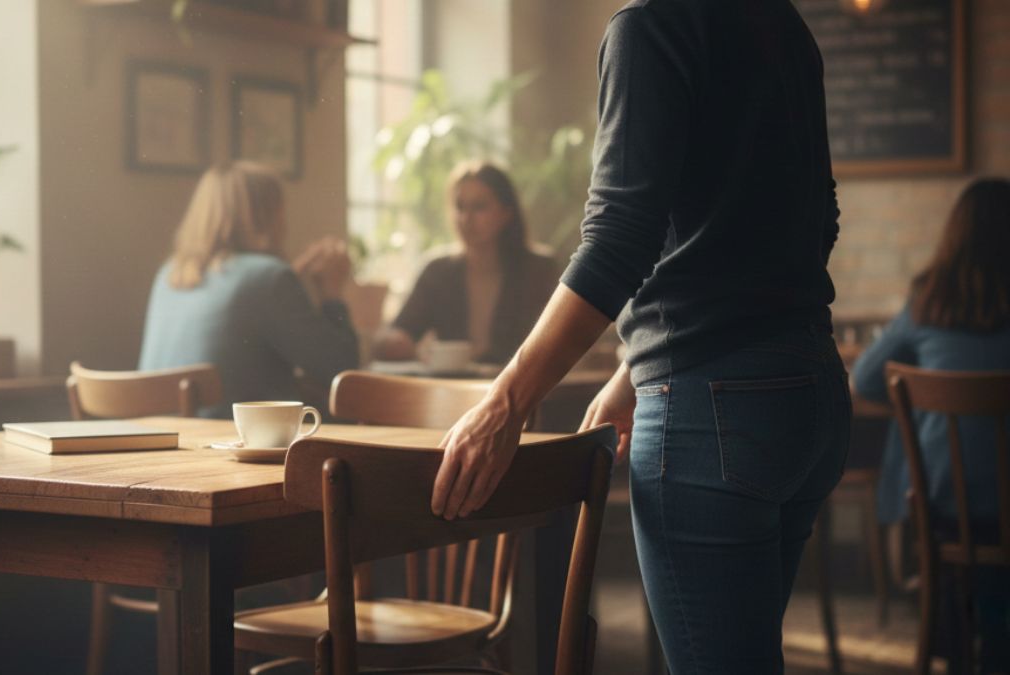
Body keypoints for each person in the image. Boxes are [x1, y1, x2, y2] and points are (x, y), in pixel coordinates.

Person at [429, 2, 849, 672]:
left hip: (713, 414)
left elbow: (620, 238)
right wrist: (635, 363)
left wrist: (502, 404)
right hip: (808, 393)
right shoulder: (782, 24)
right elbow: (809, 220)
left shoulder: (649, 27)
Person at [851, 177, 1010, 672]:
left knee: (919, 423)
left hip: (945, 508)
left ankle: (949, 625)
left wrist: (925, 398)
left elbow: (866, 378)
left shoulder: (927, 300)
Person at [138, 162, 358, 418]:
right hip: (230, 444)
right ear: (268, 216)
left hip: (164, 440)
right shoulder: (269, 276)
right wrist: (332, 294)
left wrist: (290, 277)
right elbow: (343, 371)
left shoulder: (170, 274)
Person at [373, 161, 557, 365]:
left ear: (506, 213)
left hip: (521, 388)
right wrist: (394, 343)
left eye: (479, 207)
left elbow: (561, 341)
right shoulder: (438, 272)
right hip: (454, 389)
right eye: (460, 207)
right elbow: (394, 333)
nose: (466, 218)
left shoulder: (539, 270)